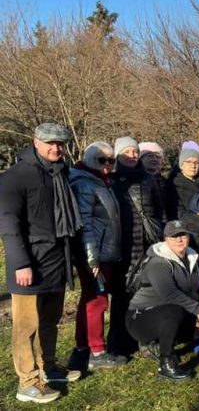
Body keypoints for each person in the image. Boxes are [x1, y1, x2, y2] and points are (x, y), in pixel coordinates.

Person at [0, 123, 82, 403]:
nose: (56, 148)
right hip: (29, 264)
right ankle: (27, 382)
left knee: (50, 320)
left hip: (56, 261)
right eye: (50, 143)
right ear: (35, 142)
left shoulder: (60, 173)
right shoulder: (15, 177)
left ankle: (49, 368)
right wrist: (21, 263)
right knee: (26, 327)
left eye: (60, 143)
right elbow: (8, 223)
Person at [126, 220, 199, 381]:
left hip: (171, 312)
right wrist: (198, 310)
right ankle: (166, 363)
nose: (179, 239)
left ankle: (159, 344)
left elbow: (196, 289)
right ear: (165, 239)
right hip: (141, 318)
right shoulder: (158, 263)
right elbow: (169, 294)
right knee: (174, 311)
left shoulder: (192, 258)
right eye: (174, 236)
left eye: (183, 235)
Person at [69, 142, 127, 371]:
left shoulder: (100, 181)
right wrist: (92, 258)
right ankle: (97, 351)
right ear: (92, 159)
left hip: (105, 252)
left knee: (89, 299)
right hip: (96, 254)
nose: (108, 165)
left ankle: (82, 347)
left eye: (111, 161)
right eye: (103, 160)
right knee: (97, 301)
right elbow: (86, 224)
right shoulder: (84, 183)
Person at [110, 136, 164, 357]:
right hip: (123, 247)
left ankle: (146, 339)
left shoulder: (148, 180)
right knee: (122, 296)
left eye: (135, 152)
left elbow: (160, 211)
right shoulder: (112, 181)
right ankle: (118, 342)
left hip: (148, 245)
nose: (132, 156)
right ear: (118, 155)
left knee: (148, 293)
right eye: (127, 152)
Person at [166, 147, 199, 246]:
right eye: (188, 162)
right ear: (181, 165)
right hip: (190, 234)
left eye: (196, 162)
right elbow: (179, 213)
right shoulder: (174, 186)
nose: (193, 165)